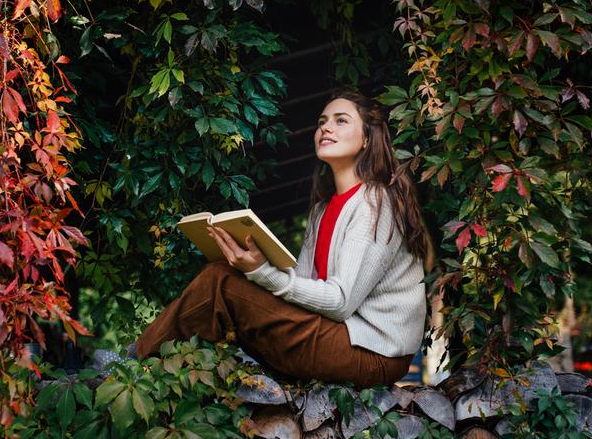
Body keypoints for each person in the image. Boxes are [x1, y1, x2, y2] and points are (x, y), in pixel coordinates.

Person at [134, 92, 429, 387]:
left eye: (341, 121)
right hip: (338, 336)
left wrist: (262, 273)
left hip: (374, 354)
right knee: (227, 275)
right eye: (322, 122)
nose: (326, 128)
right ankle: (163, 374)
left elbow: (340, 302)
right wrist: (254, 268)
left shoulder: (375, 201)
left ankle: (135, 366)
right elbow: (301, 287)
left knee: (219, 281)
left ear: (367, 139)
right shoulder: (321, 210)